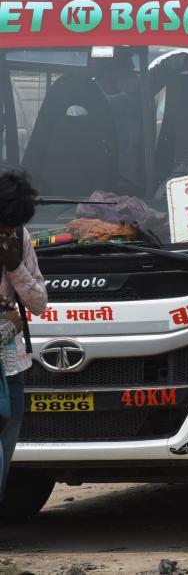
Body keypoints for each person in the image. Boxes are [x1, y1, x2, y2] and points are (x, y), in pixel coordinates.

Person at [0, 170, 48, 503]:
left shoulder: (20, 237)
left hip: (12, 368)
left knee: (3, 459)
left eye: (11, 227)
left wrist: (16, 266)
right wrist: (7, 324)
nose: (6, 232)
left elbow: (39, 303)